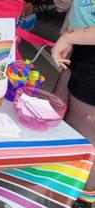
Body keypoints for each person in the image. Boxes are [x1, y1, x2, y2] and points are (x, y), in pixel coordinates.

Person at [52, 27, 95, 208]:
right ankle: (56, 181)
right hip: (82, 48)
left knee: (85, 136)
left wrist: (68, 37)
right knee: (54, 113)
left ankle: (82, 199)